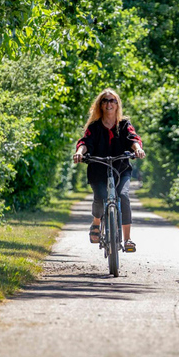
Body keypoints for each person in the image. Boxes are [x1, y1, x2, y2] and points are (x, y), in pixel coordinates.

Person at [73, 88, 145, 252]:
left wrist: (138, 149)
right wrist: (79, 153)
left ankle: (127, 239)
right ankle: (97, 222)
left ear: (117, 104)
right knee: (100, 197)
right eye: (105, 100)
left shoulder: (124, 124)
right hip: (98, 168)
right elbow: (85, 142)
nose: (109, 103)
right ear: (100, 105)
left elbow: (133, 139)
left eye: (112, 100)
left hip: (121, 168)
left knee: (124, 196)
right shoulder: (94, 126)